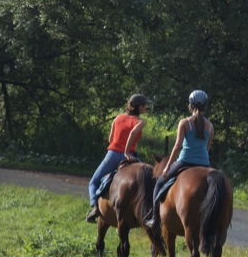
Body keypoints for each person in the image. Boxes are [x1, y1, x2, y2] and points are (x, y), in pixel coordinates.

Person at [145, 90, 214, 231]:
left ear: (190, 105)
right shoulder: (210, 126)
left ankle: (155, 219)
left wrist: (167, 167)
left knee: (159, 184)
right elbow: (207, 148)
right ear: (205, 106)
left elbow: (177, 146)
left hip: (184, 162)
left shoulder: (185, 123)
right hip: (205, 164)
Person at [86, 94, 150, 222]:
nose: (146, 107)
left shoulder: (118, 117)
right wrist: (126, 151)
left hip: (112, 155)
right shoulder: (141, 122)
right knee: (149, 179)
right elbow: (133, 133)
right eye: (145, 105)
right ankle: (150, 212)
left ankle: (94, 207)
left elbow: (110, 139)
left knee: (93, 182)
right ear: (140, 107)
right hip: (129, 156)